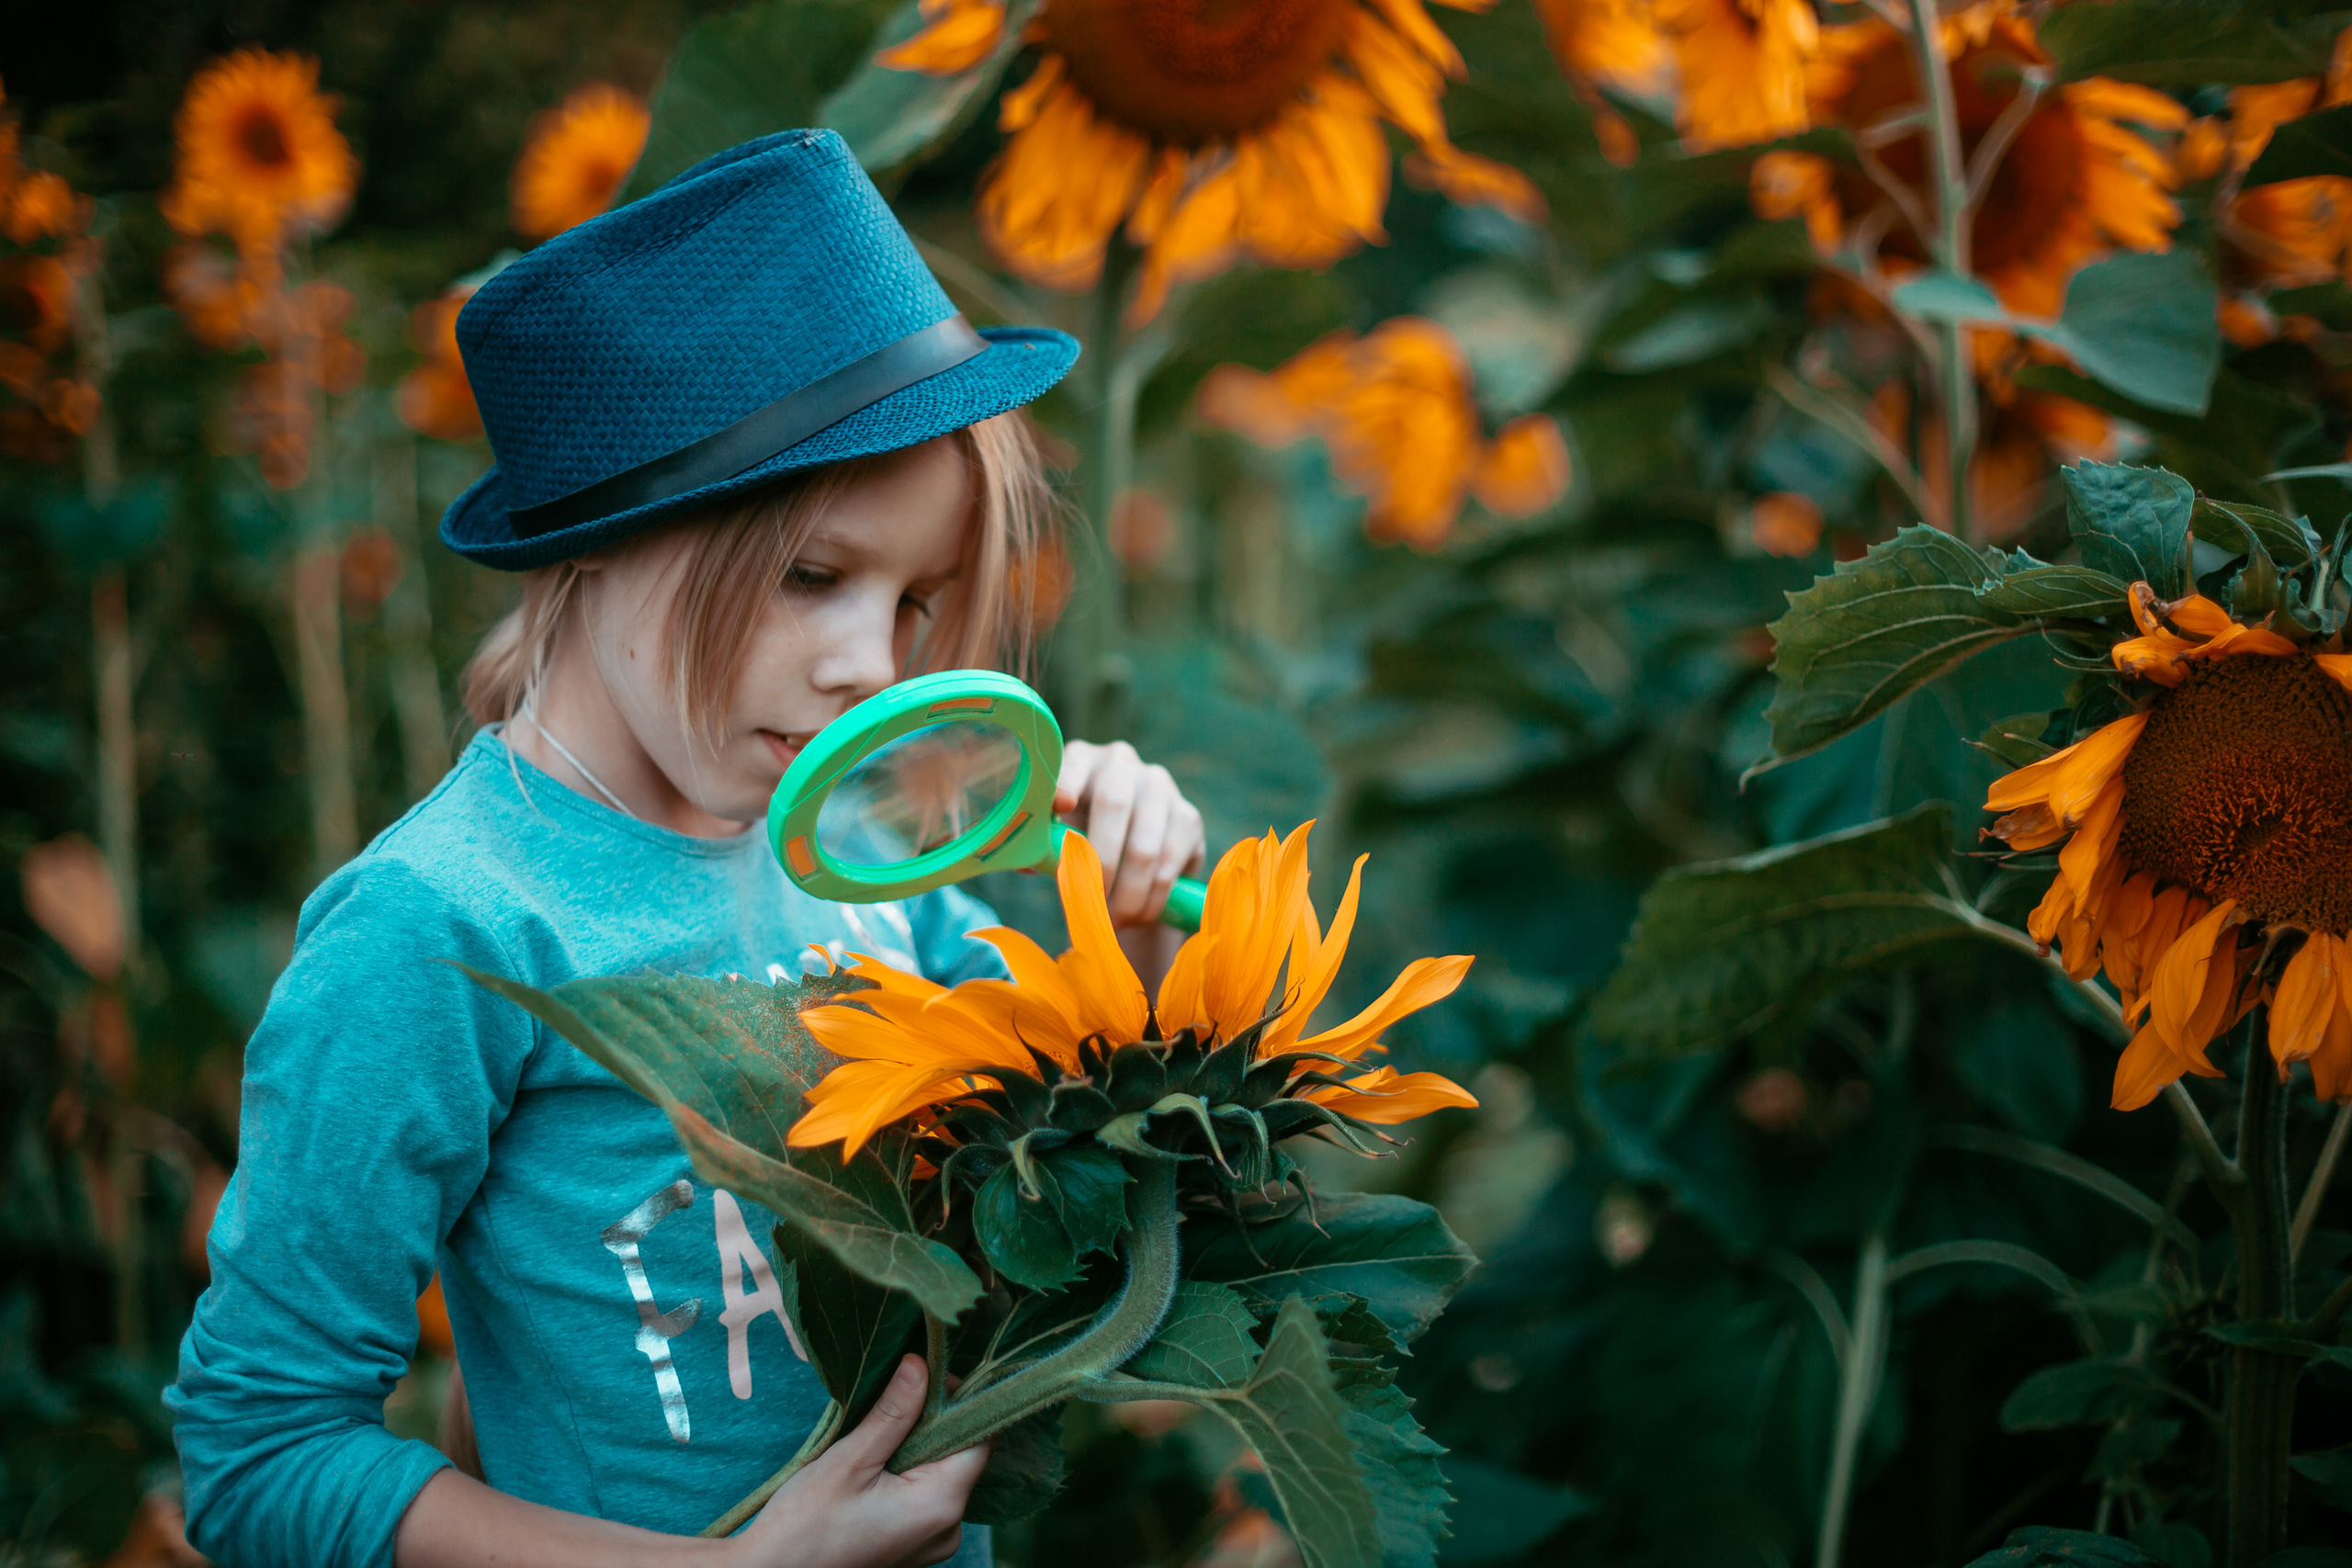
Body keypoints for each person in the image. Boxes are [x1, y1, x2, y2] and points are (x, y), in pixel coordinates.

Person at [164, 130, 1206, 1568]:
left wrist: (1130, 932)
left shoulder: (857, 850)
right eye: (813, 575)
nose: (872, 667)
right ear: (602, 532)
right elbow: (261, 1458)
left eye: (915, 601)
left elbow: (1072, 1186)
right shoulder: (446, 925)